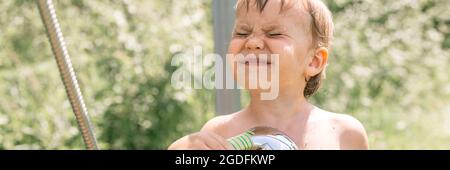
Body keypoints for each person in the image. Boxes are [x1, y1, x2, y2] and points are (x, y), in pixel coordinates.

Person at [169, 0, 368, 150]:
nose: (252, 42)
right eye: (242, 33)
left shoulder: (344, 133)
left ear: (314, 61)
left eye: (274, 34)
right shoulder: (218, 132)